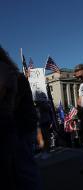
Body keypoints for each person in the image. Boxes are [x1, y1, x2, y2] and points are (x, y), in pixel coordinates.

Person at [0, 46, 42, 190]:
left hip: (20, 128)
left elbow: (11, 105)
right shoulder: (14, 75)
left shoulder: (12, 75)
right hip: (17, 127)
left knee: (23, 170)